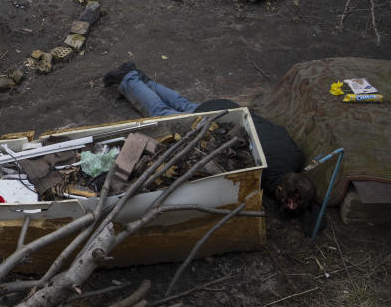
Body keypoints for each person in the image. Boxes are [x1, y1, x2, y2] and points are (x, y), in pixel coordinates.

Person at [103, 62, 315, 212]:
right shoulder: (263, 171)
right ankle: (128, 78)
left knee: (184, 105)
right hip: (216, 122)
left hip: (227, 110)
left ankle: (143, 81)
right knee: (162, 114)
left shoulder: (296, 156)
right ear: (279, 190)